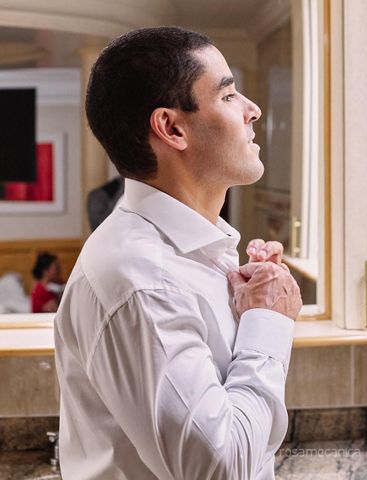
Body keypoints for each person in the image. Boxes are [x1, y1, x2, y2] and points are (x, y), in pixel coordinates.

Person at [54, 27, 302, 479]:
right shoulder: (142, 279)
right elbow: (219, 468)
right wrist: (268, 324)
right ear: (171, 127)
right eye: (228, 96)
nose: (253, 109)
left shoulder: (197, 253)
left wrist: (253, 313)